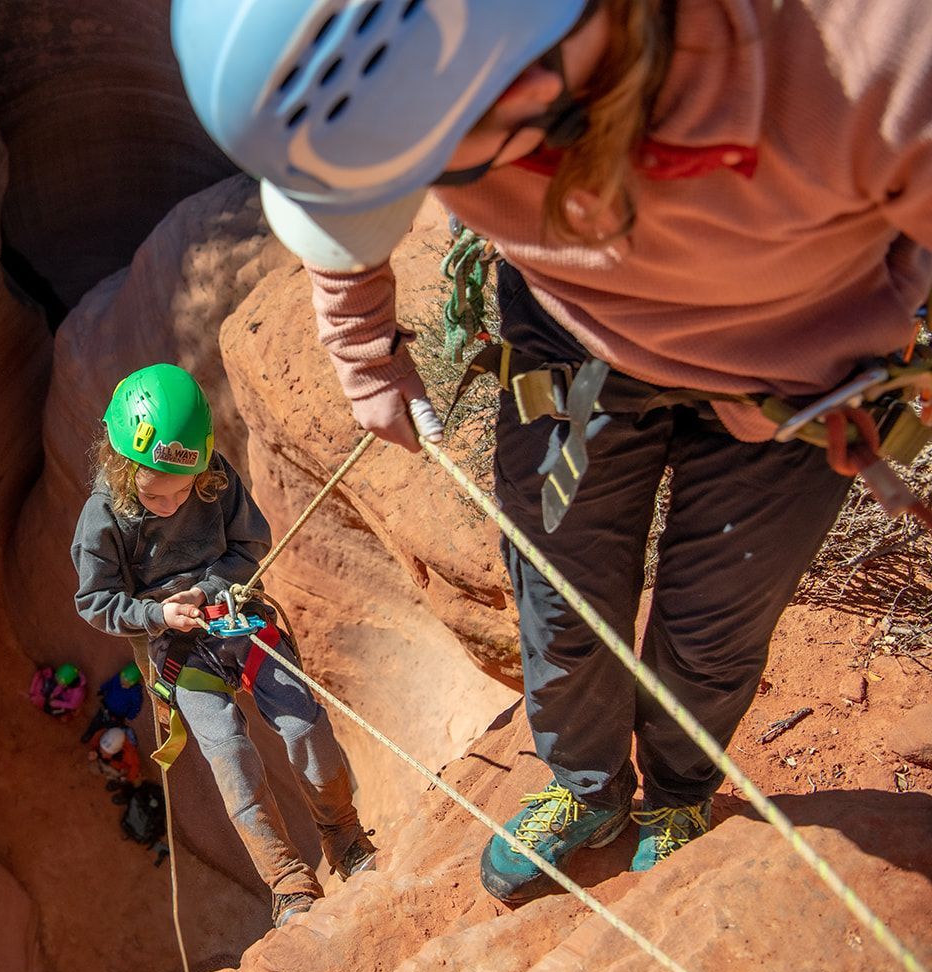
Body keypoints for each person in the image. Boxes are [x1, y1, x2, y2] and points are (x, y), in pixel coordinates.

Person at [172, 0, 932, 902]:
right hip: (573, 356)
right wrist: (363, 347)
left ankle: (678, 793)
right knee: (558, 602)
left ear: (526, 85)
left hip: (799, 386)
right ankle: (590, 790)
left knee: (713, 624)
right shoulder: (443, 82)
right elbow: (347, 188)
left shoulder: (868, 58)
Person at [73, 363, 380, 927]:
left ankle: (344, 837)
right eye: (153, 494)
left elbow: (249, 544)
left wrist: (214, 590)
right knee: (230, 756)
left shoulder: (214, 478)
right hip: (177, 646)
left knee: (305, 722)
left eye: (179, 493)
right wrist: (158, 613)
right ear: (122, 465)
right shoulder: (103, 518)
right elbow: (95, 601)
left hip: (239, 618)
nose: (167, 505)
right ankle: (288, 882)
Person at [79, 663, 146, 744]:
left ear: (133, 683)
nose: (122, 683)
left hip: (117, 715)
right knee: (96, 722)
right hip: (106, 707)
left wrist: (130, 716)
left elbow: (136, 706)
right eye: (122, 680)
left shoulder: (135, 694)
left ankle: (101, 743)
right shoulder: (118, 678)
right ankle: (89, 734)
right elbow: (110, 683)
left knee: (109, 728)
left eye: (125, 683)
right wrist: (103, 689)